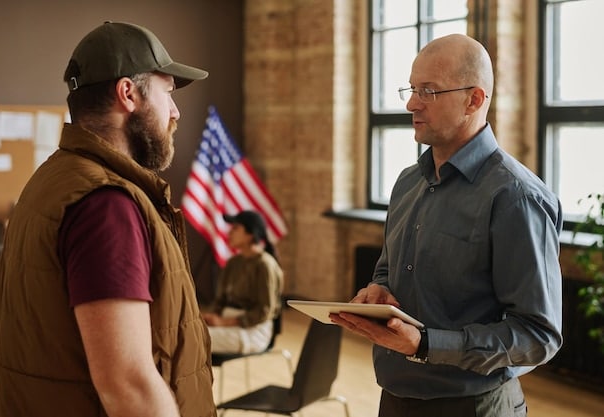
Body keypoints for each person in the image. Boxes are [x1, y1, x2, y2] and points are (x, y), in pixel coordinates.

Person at [0, 22, 216, 417]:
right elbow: (128, 385)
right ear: (128, 94)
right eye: (168, 93)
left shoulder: (53, 178)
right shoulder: (105, 206)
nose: (175, 112)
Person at [330, 34, 563, 417]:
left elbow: (538, 336)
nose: (410, 103)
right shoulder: (407, 182)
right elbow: (389, 269)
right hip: (394, 397)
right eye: (411, 87)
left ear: (474, 99)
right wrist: (379, 290)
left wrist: (425, 344)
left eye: (428, 91)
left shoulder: (516, 197)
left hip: (473, 406)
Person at [203, 211, 283, 354]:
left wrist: (224, 323)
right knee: (182, 333)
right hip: (226, 323)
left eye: (235, 228)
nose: (229, 232)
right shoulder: (233, 263)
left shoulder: (265, 265)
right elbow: (220, 301)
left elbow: (264, 311)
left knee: (192, 339)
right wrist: (209, 317)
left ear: (250, 235)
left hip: (254, 331)